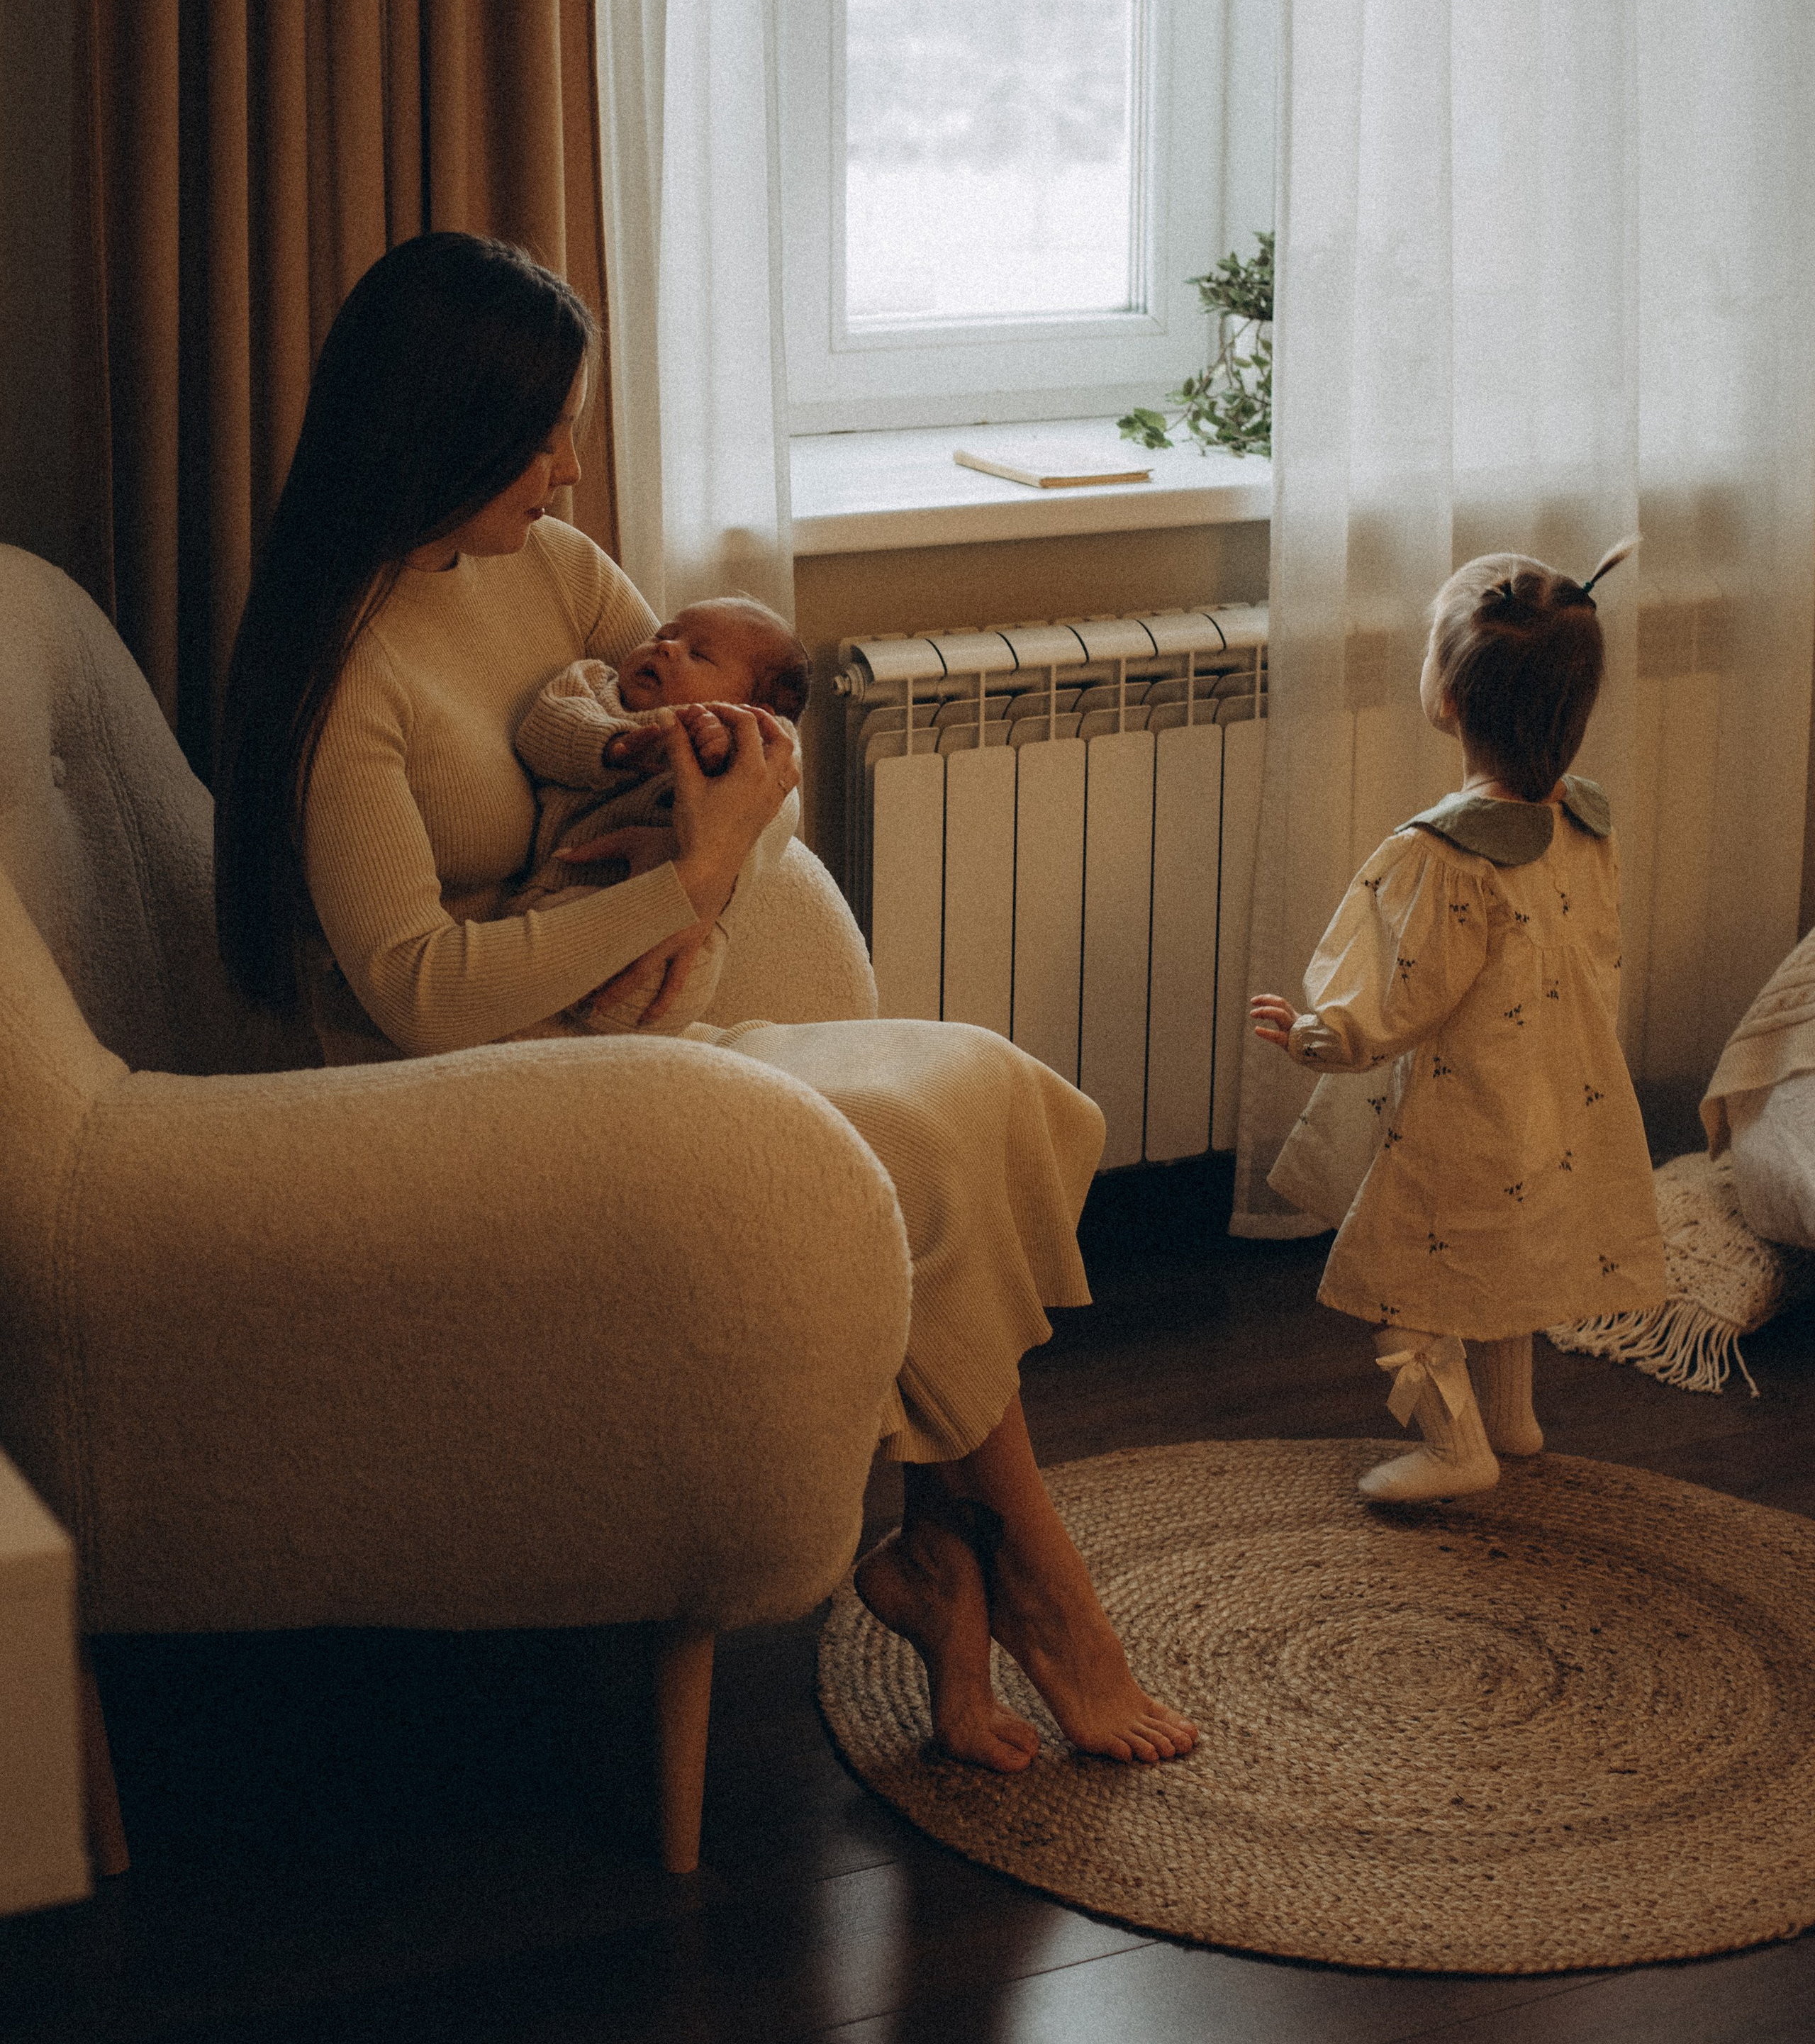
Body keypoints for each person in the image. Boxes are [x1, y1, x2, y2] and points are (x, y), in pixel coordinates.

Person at [215, 230, 1196, 1770]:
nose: (567, 471)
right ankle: (1039, 1591)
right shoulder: (346, 675)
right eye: (540, 436)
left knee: (976, 1085)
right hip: (455, 1107)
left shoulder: (546, 569)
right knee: (910, 1144)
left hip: (612, 1023)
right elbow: (417, 995)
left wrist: (714, 866)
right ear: (440, 428)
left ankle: (952, 1561)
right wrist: (687, 883)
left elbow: (750, 748)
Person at [1251, 545, 1667, 1504]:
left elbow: (1398, 998)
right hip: (1559, 1101)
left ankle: (1457, 1447)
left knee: (1403, 1285)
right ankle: (1513, 1421)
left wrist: (1316, 1035)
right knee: (1502, 1262)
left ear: (1448, 696)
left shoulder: (1445, 856)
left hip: (1468, 1114)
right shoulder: (1587, 825)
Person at [504, 600, 812, 1037]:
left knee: (674, 980)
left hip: (682, 918)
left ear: (752, 707)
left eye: (698, 654)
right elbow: (539, 733)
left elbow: (775, 791)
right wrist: (614, 747)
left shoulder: (753, 736)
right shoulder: (593, 685)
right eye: (664, 634)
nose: (666, 647)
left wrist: (725, 757)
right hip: (566, 887)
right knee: (532, 940)